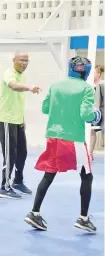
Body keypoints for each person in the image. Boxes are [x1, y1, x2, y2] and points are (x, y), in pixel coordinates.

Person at [24, 56, 101, 233]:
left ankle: (34, 213)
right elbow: (85, 114)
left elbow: (45, 109)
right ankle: (83, 219)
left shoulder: (55, 85)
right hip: (73, 139)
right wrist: (96, 115)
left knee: (49, 175)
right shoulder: (86, 88)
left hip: (53, 137)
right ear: (86, 71)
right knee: (86, 176)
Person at [0, 52, 41, 199]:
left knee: (22, 152)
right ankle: (4, 187)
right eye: (21, 60)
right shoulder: (9, 73)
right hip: (6, 120)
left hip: (17, 120)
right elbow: (13, 86)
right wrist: (29, 87)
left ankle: (17, 181)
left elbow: (18, 100)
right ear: (14, 60)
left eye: (27, 61)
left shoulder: (22, 76)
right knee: (10, 155)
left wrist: (22, 119)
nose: (24, 63)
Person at [89, 64, 104, 160]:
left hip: (100, 112)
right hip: (91, 111)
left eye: (93, 72)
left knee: (93, 130)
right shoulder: (89, 85)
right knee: (91, 131)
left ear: (98, 74)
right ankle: (90, 153)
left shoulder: (102, 85)